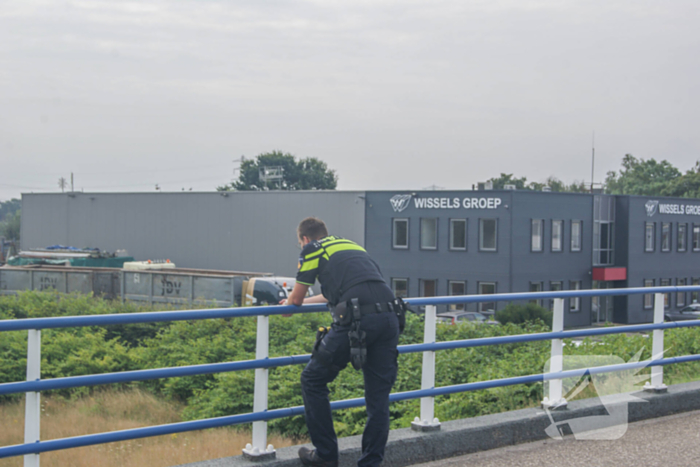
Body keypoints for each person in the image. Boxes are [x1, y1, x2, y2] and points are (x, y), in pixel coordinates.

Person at [283, 217, 401, 467]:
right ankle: (370, 463)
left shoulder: (312, 249)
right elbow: (330, 292)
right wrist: (302, 302)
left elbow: (294, 300)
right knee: (378, 399)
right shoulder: (352, 246)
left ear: (304, 238)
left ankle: (325, 455)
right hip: (390, 318)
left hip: (358, 321)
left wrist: (291, 303)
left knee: (312, 380)